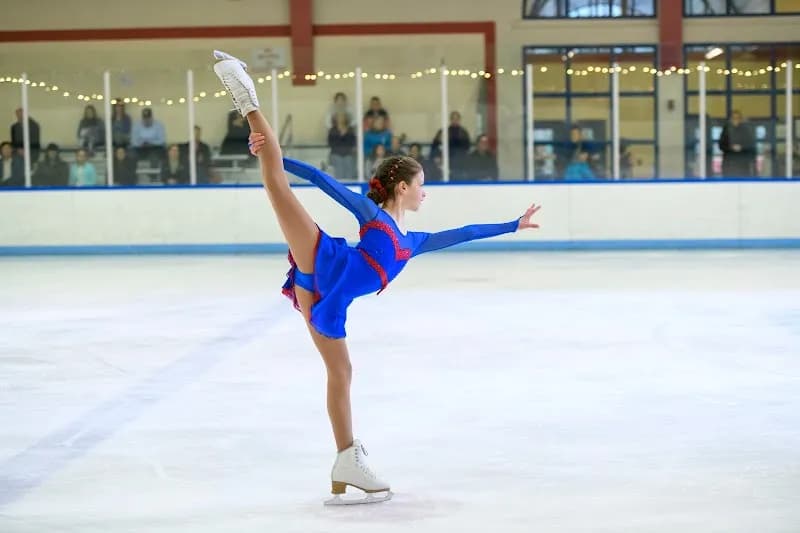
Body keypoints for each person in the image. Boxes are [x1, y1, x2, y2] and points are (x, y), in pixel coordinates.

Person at [212, 50, 542, 505]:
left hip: (329, 296)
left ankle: (346, 457)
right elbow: (328, 183)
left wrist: (512, 225)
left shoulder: (415, 241)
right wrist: (280, 158)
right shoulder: (375, 218)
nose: (426, 192)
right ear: (402, 188)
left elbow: (464, 232)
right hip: (325, 260)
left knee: (341, 371)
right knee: (276, 185)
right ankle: (244, 94)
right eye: (421, 184)